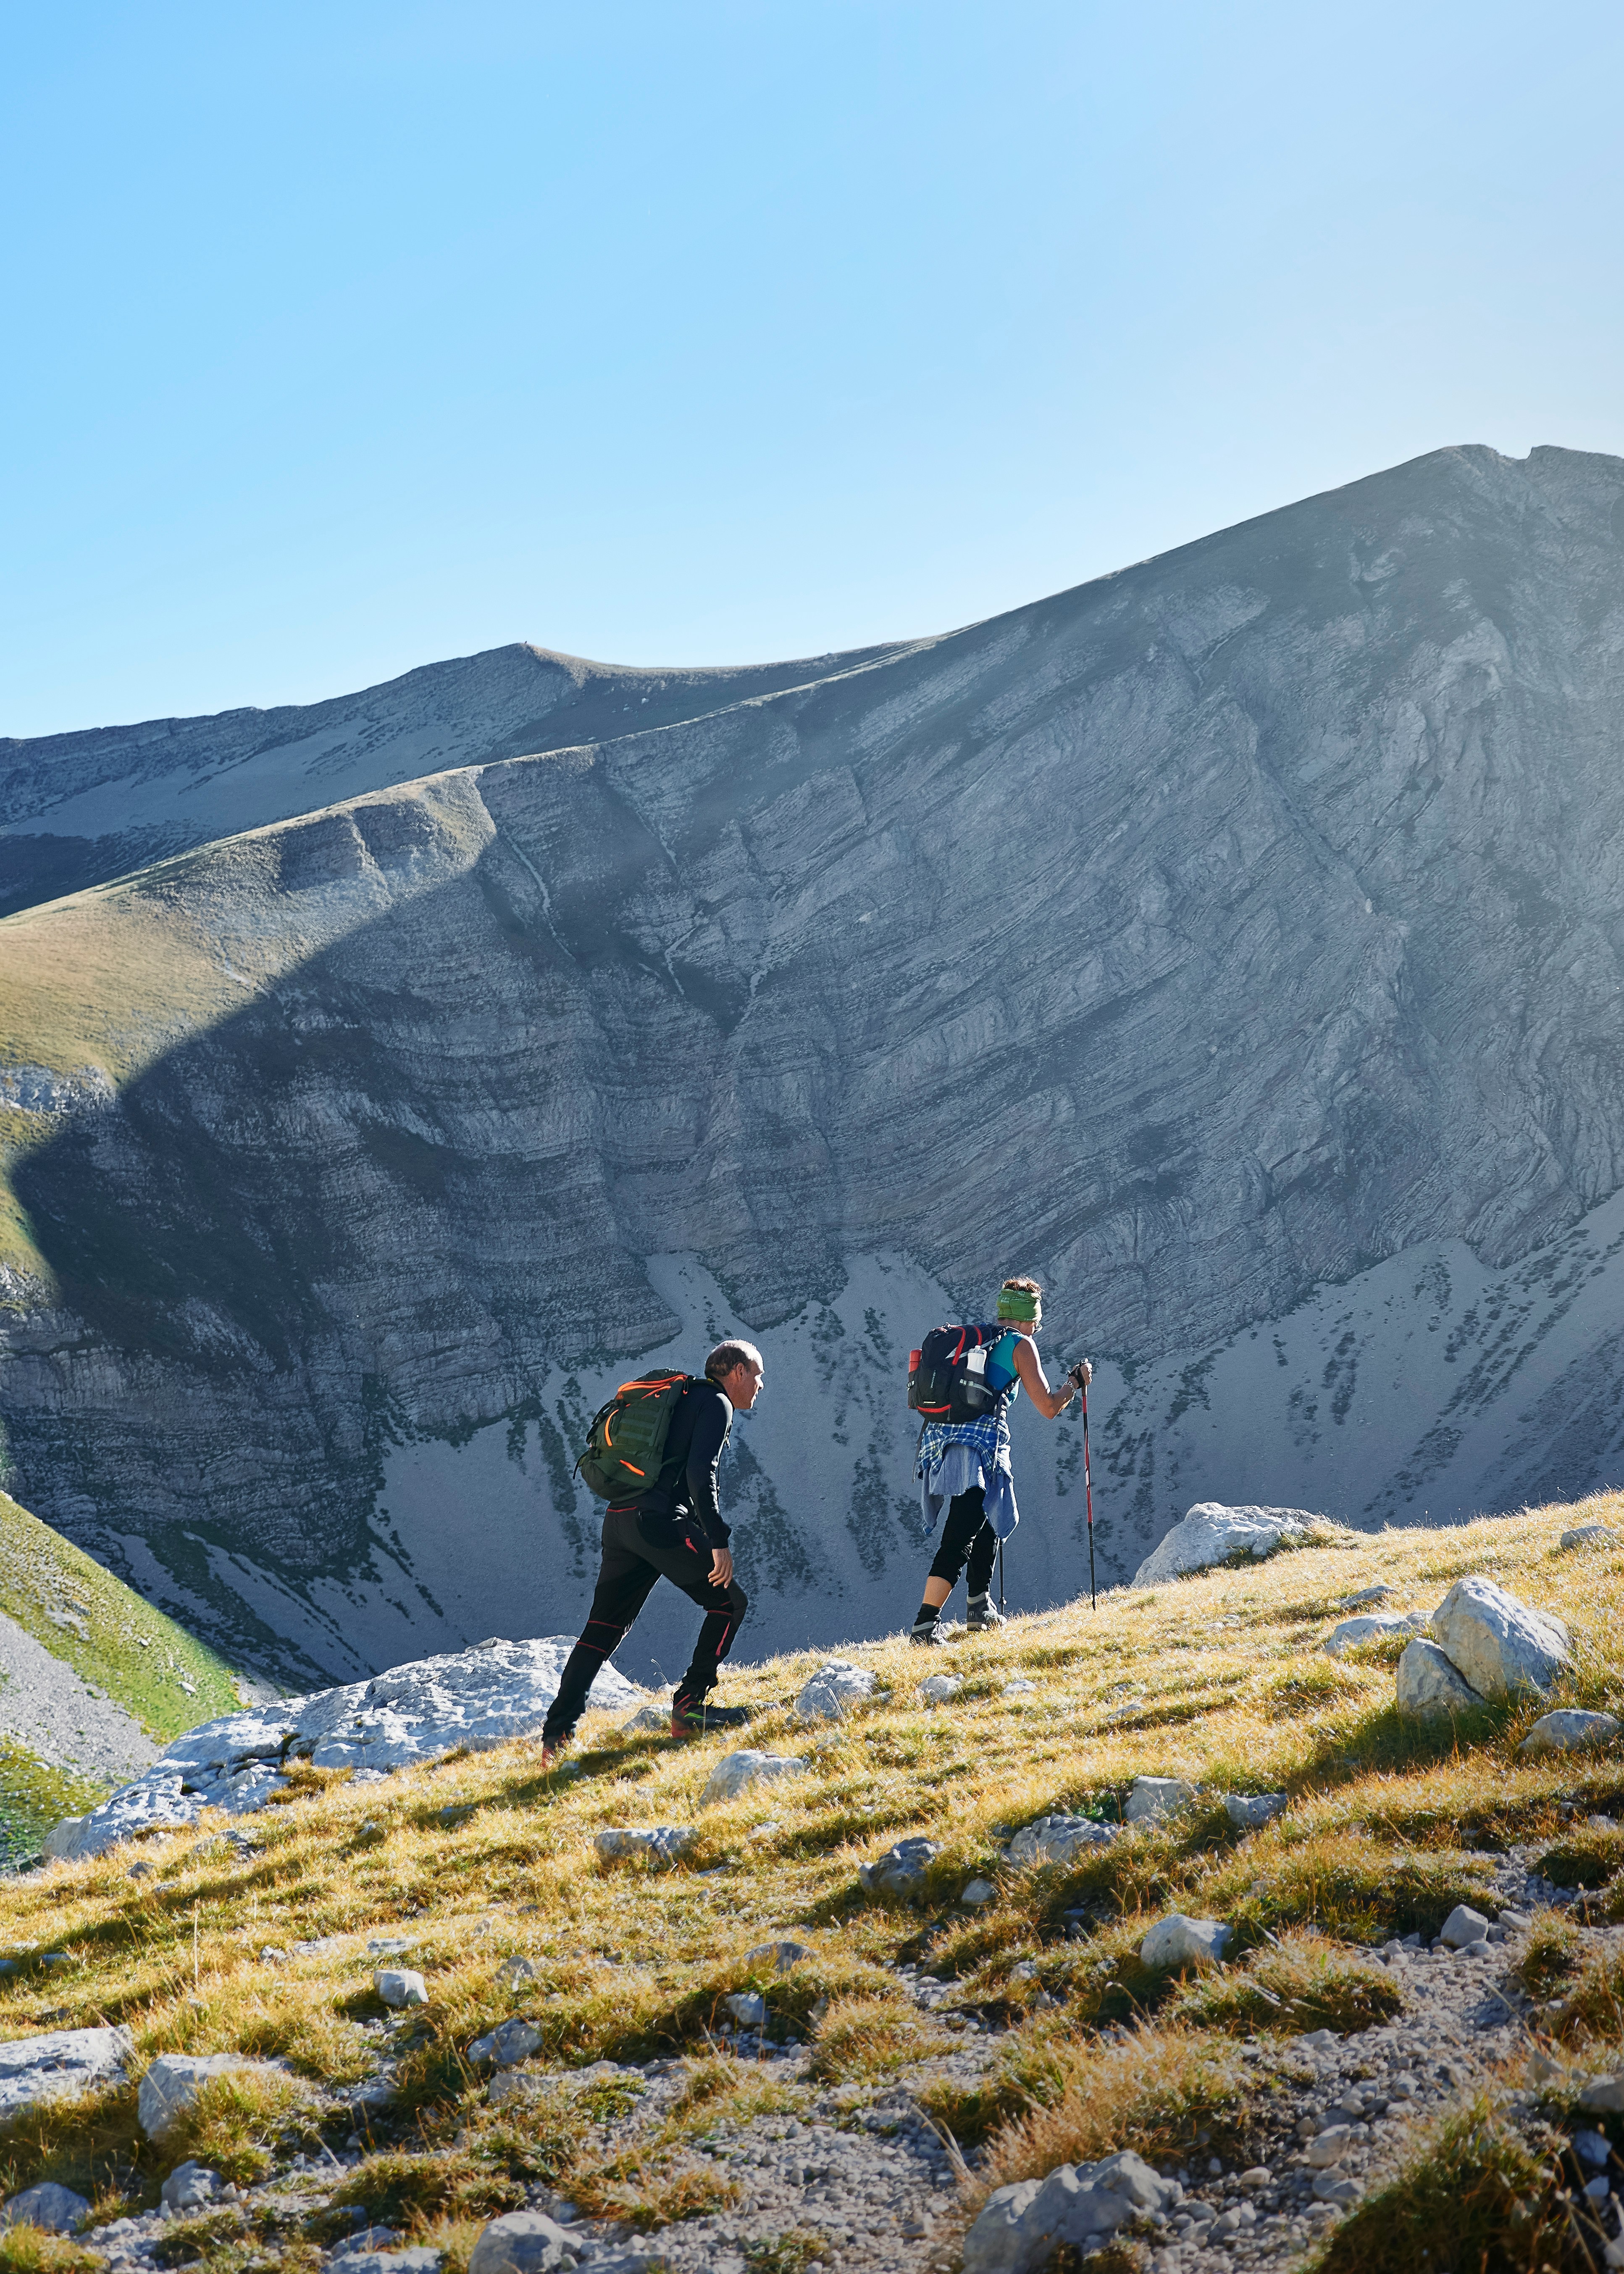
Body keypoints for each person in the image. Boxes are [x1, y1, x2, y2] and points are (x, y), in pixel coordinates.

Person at [539, 1340, 761, 1763]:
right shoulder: (715, 1403)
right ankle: (690, 1707)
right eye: (757, 1374)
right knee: (728, 1604)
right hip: (658, 1522)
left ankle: (557, 1736)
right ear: (735, 1371)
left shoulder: (682, 1397)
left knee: (602, 1629)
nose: (760, 1384)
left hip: (621, 1520)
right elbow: (702, 1473)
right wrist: (717, 1539)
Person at [910, 1276, 1089, 1645]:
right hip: (979, 1449)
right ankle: (924, 1626)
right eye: (1036, 1321)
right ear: (1028, 1319)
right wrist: (1074, 1384)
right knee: (960, 1534)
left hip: (941, 1442)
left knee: (987, 1517)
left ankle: (979, 1607)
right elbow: (1050, 1407)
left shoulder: (979, 1339)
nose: (1037, 1327)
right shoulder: (1020, 1346)